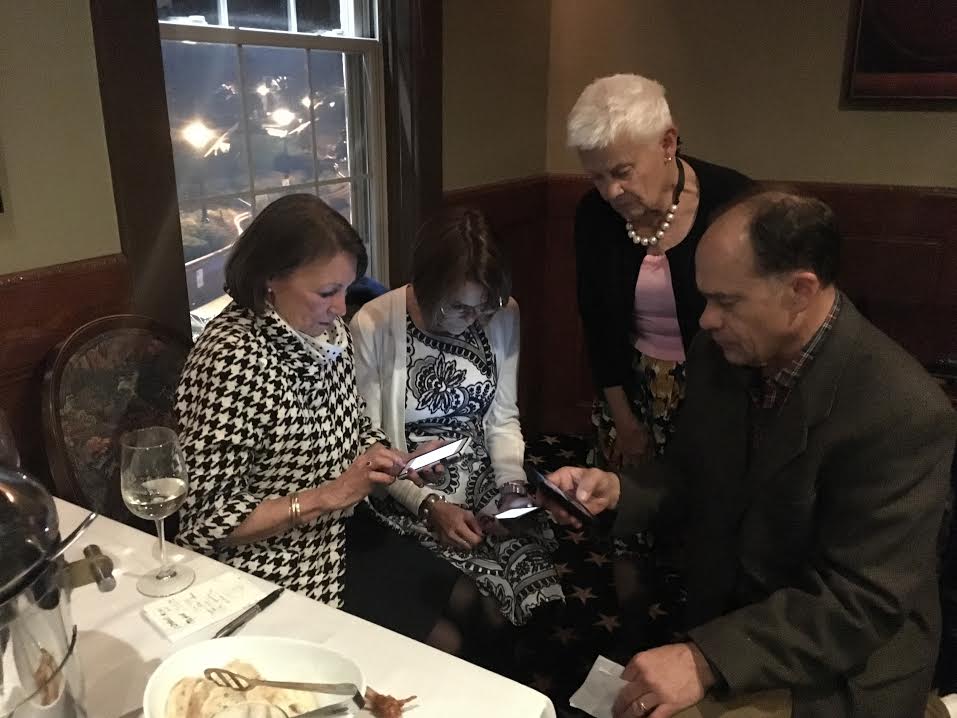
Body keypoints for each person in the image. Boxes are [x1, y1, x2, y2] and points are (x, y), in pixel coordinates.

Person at [545, 191, 957, 718]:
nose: (706, 320)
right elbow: (692, 473)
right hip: (743, 621)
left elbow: (860, 603)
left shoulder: (903, 411)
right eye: (706, 299)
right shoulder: (722, 354)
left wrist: (705, 659)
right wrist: (618, 491)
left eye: (727, 301)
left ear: (799, 291)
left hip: (844, 662)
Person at [175, 194, 417, 610]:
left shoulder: (323, 335)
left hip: (336, 529)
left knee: (468, 601)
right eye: (327, 292)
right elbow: (204, 521)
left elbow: (354, 423)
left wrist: (395, 459)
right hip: (272, 559)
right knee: (443, 640)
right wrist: (330, 495)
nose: (341, 309)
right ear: (270, 277)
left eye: (346, 289)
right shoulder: (232, 359)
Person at [350, 206, 563, 630]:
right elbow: (369, 445)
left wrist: (512, 488)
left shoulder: (502, 314)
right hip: (409, 483)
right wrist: (429, 506)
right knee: (481, 607)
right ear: (426, 286)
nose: (474, 322)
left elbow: (502, 417)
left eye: (485, 307)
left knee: (537, 588)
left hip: (482, 468)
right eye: (459, 309)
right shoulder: (373, 323)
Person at [567, 73, 752, 468]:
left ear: (667, 143)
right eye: (596, 177)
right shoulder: (595, 215)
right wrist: (625, 422)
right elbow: (596, 322)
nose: (610, 192)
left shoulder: (734, 202)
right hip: (629, 388)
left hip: (719, 392)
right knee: (621, 504)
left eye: (622, 172)